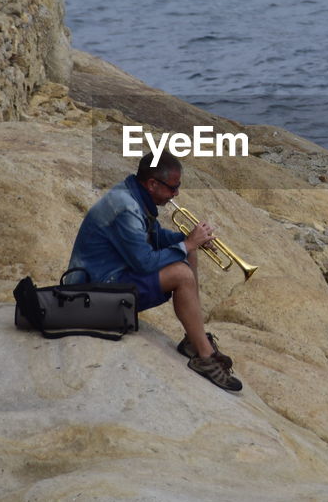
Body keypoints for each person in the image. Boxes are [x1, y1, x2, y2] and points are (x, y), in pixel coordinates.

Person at [66, 150, 242, 392]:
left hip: (110, 277)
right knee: (181, 273)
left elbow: (155, 236)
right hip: (91, 294)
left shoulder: (134, 194)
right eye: (173, 187)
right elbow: (144, 263)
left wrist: (189, 239)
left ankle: (195, 338)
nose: (176, 194)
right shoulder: (126, 207)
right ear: (152, 184)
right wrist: (188, 243)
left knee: (187, 252)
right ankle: (205, 356)